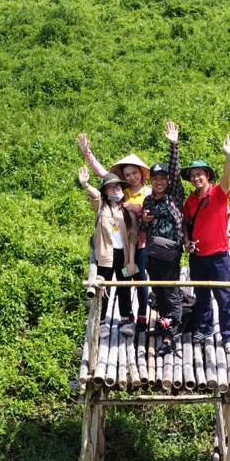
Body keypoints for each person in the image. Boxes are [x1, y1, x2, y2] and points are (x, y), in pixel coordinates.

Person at [78, 133, 152, 328]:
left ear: (141, 173)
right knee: (116, 281)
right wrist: (87, 154)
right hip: (119, 247)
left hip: (140, 244)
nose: (131, 177)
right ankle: (103, 320)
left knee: (137, 278)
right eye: (127, 175)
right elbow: (104, 178)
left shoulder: (149, 192)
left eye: (134, 173)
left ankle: (139, 316)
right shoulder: (119, 197)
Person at [182, 133, 230, 347]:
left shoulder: (217, 194)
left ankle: (229, 336)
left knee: (224, 297)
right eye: (193, 175)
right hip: (197, 256)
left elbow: (227, 180)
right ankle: (204, 329)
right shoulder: (190, 200)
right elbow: (185, 223)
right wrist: (187, 241)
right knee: (201, 295)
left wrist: (228, 158)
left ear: (207, 176)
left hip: (218, 256)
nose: (196, 178)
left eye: (200, 174)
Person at [78, 166, 142, 335]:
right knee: (103, 287)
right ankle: (102, 321)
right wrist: (86, 184)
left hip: (124, 255)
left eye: (118, 186)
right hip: (106, 255)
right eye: (110, 187)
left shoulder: (128, 211)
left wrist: (131, 261)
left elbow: (133, 238)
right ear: (105, 191)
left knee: (124, 286)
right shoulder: (101, 207)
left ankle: (126, 319)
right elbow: (94, 196)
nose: (115, 189)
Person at [141, 121, 187, 352]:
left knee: (171, 292)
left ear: (167, 181)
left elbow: (176, 169)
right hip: (152, 253)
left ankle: (171, 334)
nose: (159, 181)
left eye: (162, 178)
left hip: (170, 253)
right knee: (158, 292)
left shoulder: (174, 195)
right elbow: (143, 225)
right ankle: (163, 322)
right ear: (151, 181)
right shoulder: (148, 200)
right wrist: (144, 220)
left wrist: (173, 144)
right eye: (155, 178)